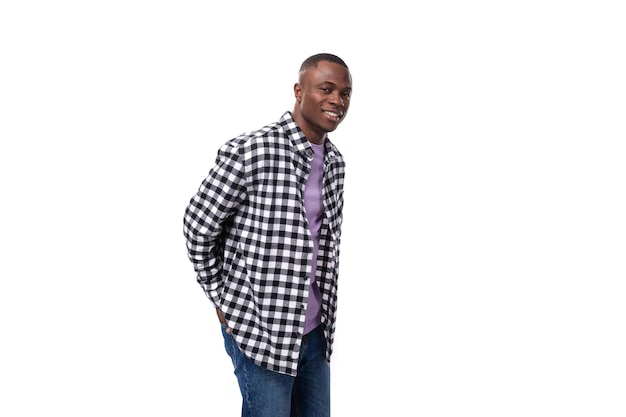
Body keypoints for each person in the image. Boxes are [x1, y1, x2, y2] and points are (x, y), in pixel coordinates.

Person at [183, 53, 352, 417]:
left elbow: (324, 246)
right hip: (261, 331)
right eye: (326, 89)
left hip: (314, 336)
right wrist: (221, 298)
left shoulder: (336, 163)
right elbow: (198, 226)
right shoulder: (251, 150)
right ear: (298, 90)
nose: (337, 100)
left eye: (344, 93)